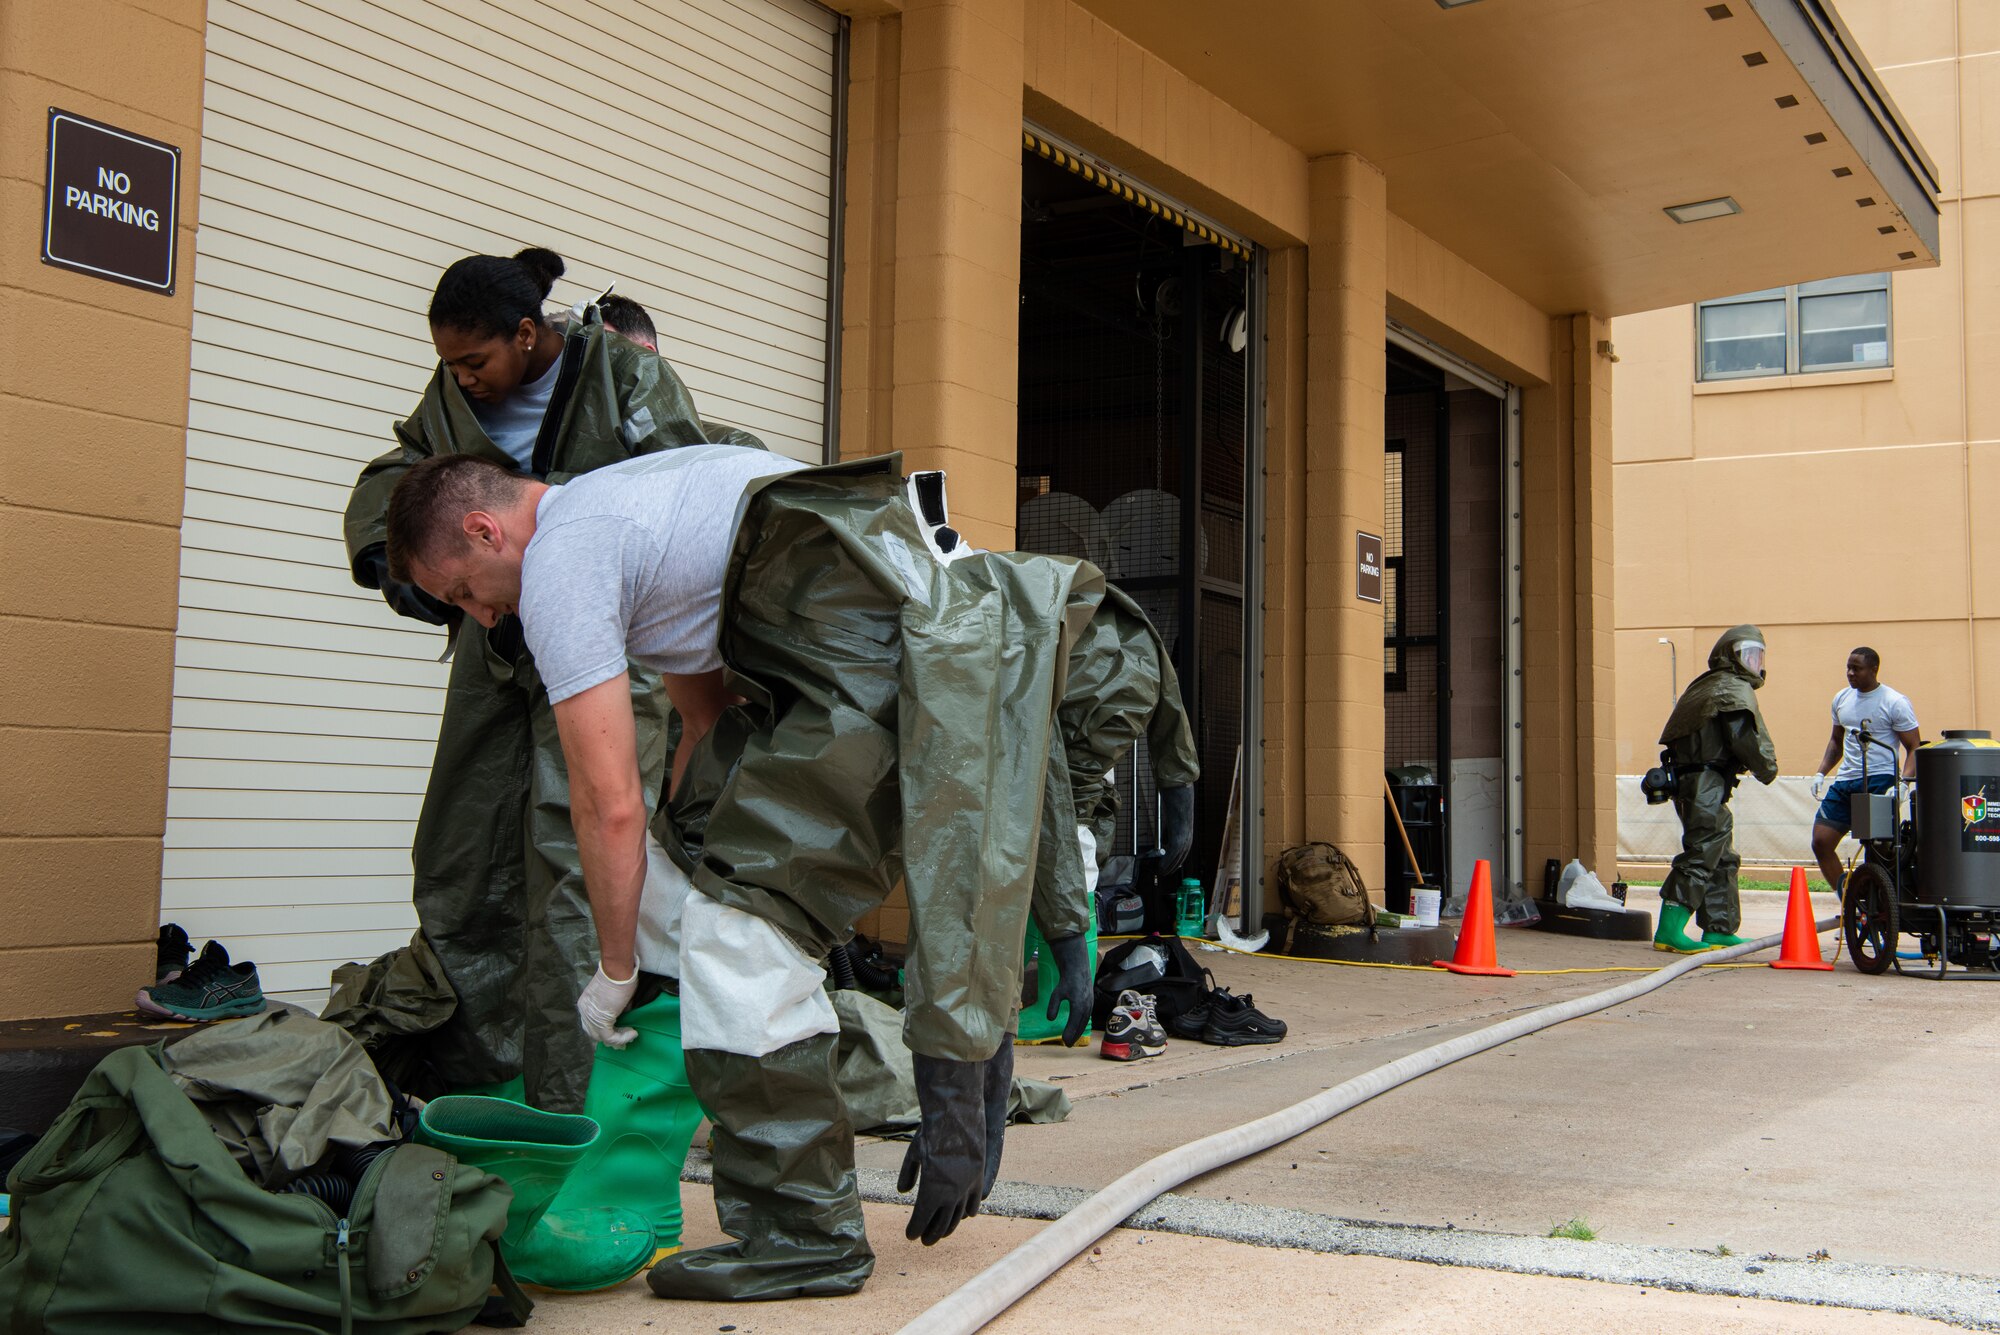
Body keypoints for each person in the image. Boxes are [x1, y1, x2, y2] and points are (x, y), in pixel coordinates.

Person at [384, 445, 1113, 1301]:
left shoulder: (560, 561)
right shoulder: (636, 508)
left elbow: (605, 800)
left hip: (876, 688)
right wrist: (677, 872)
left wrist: (615, 970)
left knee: (740, 946)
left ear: (484, 528)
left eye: (463, 590)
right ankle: (644, 1164)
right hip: (884, 671)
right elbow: (705, 717)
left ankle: (804, 1235)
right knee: (675, 887)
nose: (478, 617)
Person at [342, 246, 721, 1113]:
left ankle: (568, 1103)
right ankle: (478, 1084)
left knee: (572, 861)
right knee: (459, 852)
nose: (462, 381)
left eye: (476, 362)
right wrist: (395, 563)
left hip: (600, 646)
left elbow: (674, 490)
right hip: (496, 639)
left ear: (526, 334)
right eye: (449, 366)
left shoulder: (622, 376)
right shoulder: (452, 394)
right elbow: (399, 471)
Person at [1652, 625, 1779, 952]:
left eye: (1758, 655)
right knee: (1703, 848)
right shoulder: (1732, 689)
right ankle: (1669, 929)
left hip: (1694, 780)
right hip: (1705, 781)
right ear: (1730, 655)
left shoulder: (1705, 686)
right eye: (1747, 654)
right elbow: (1745, 737)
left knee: (1721, 854)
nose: (1754, 662)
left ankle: (1719, 928)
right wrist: (1767, 767)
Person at [1810, 647, 1921, 897]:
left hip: (1880, 779)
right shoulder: (1841, 698)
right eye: (1848, 668)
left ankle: (1879, 904)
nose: (1850, 673)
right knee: (1821, 841)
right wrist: (1820, 773)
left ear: (1873, 669)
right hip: (1846, 780)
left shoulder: (1894, 701)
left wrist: (1904, 783)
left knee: (1877, 850)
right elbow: (1836, 741)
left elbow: (1914, 746)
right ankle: (1851, 900)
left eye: (1856, 668)